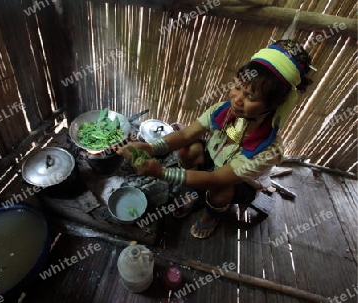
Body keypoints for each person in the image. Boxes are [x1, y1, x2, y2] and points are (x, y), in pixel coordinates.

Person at [118, 39, 313, 239]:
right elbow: (186, 134)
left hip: (240, 182)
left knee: (219, 191)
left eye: (251, 97)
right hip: (214, 159)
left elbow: (216, 178)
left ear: (274, 103)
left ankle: (211, 215)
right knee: (190, 149)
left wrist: (161, 171)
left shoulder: (266, 149)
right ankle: (194, 194)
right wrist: (150, 147)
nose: (237, 99)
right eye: (237, 87)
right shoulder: (223, 111)